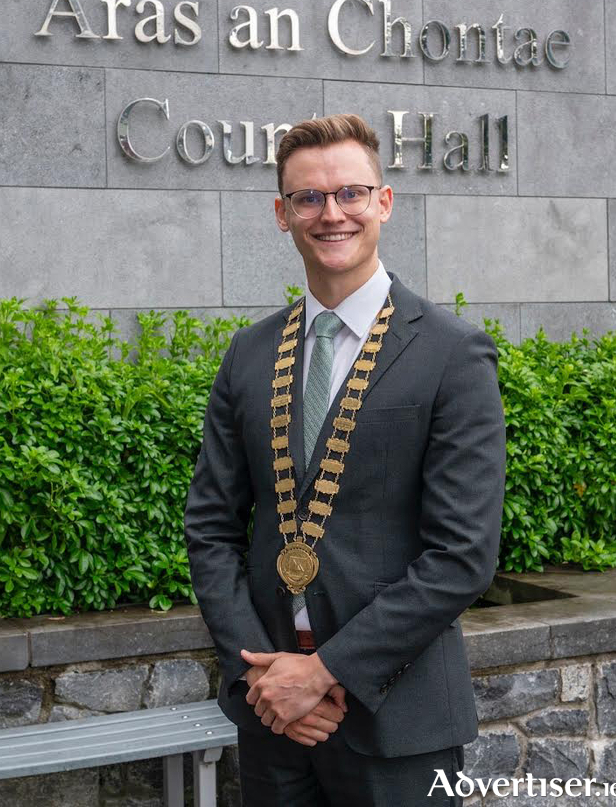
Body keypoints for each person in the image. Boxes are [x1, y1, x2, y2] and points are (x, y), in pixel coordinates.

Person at [183, 113, 506, 806]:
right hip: (274, 718)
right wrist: (260, 680)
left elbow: (463, 554)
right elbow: (210, 526)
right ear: (282, 213)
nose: (332, 213)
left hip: (399, 725)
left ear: (383, 202)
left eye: (351, 193)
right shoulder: (249, 352)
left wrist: (325, 670)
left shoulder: (453, 353)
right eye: (309, 197)